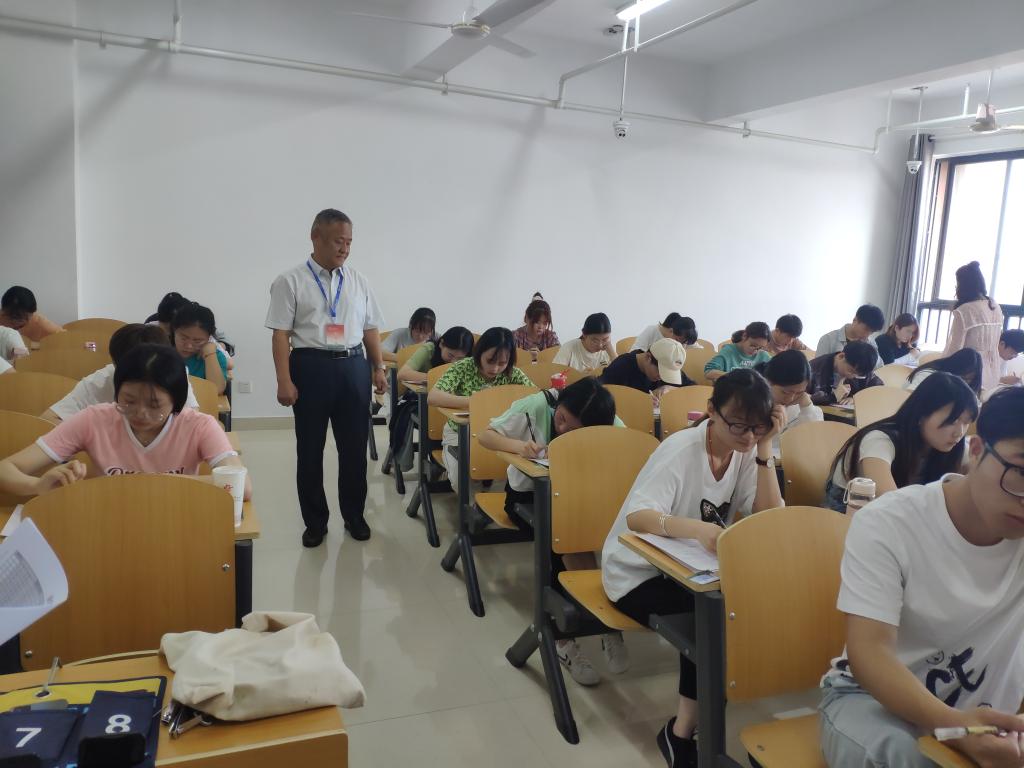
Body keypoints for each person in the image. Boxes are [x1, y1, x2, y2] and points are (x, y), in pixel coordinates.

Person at [818, 387, 1024, 768]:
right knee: (907, 760)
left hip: (989, 723)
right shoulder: (889, 523)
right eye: (1021, 473)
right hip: (873, 701)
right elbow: (870, 653)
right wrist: (956, 727)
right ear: (977, 450)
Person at [602, 369, 785, 768]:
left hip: (693, 571)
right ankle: (681, 734)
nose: (747, 436)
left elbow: (770, 517)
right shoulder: (682, 449)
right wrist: (698, 530)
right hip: (637, 570)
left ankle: (692, 728)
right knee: (713, 623)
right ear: (711, 411)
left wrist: (766, 448)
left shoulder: (748, 449)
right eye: (738, 424)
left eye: (757, 426)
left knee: (736, 615)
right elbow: (638, 517)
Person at [479, 378, 629, 685]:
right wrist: (521, 447)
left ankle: (600, 622)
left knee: (578, 531)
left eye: (574, 430)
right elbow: (486, 435)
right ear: (558, 405)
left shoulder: (606, 422)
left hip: (574, 498)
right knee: (563, 538)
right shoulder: (536, 405)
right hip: (526, 496)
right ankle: (567, 640)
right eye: (561, 419)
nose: (562, 429)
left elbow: (625, 448)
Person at [265, 208, 387, 547]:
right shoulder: (289, 281)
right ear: (315, 237)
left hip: (353, 367)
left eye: (349, 242)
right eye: (338, 241)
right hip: (310, 367)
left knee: (354, 449)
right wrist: (283, 380)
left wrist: (378, 367)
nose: (344, 249)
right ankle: (315, 522)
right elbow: (280, 335)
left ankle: (354, 516)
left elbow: (370, 328)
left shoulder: (359, 281)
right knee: (310, 449)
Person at [0, 344, 251, 498]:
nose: (140, 413)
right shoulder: (94, 420)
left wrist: (151, 483)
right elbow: (6, 468)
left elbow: (243, 487)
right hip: (108, 523)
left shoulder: (198, 426)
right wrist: (37, 485)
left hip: (176, 522)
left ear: (176, 402)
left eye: (154, 405)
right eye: (128, 400)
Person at [823, 371, 977, 513]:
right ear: (922, 414)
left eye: (966, 422)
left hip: (901, 515)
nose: (960, 432)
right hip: (848, 512)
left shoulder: (953, 446)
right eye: (952, 421)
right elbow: (892, 502)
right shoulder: (879, 440)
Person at [428, 327, 532, 493]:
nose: (495, 368)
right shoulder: (463, 367)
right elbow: (433, 397)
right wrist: (476, 402)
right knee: (460, 479)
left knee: (509, 473)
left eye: (502, 363)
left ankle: (487, 504)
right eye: (490, 361)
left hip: (498, 434)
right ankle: (471, 504)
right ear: (479, 352)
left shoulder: (512, 373)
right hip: (461, 434)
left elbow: (536, 398)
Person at [41, 324, 200, 423]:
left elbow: (191, 422)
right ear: (115, 364)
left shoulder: (175, 376)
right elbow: (49, 419)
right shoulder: (99, 381)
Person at [942, 261, 1005, 393]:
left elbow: (955, 348)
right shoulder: (995, 306)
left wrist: (942, 369)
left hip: (970, 372)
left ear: (963, 285)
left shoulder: (965, 310)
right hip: (992, 370)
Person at [754, 350, 822, 450]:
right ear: (767, 381)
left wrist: (807, 407)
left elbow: (813, 441)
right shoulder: (751, 402)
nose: (790, 399)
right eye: (785, 392)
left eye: (799, 393)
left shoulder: (799, 407)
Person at [600, 337, 691, 402]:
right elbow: (598, 394)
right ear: (648, 357)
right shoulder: (621, 367)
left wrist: (668, 388)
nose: (662, 377)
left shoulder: (668, 364)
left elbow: (692, 389)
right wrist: (641, 401)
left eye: (668, 374)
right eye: (661, 371)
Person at [171, 302, 229, 396]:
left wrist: (210, 354)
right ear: (174, 331)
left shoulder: (216, 356)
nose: (189, 346)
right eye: (183, 338)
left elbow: (217, 389)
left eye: (197, 341)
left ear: (209, 337)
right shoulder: (163, 353)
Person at [807, 341, 882, 405]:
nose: (852, 376)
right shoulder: (814, 368)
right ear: (841, 356)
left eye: (858, 375)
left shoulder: (861, 367)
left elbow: (879, 390)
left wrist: (855, 398)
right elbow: (804, 399)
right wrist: (834, 396)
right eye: (851, 371)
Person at [396, 326, 475, 385]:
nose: (453, 362)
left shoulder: (469, 361)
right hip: (420, 397)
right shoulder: (429, 349)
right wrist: (437, 377)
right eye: (450, 355)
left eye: (460, 358)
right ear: (441, 344)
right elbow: (402, 374)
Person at [704, 322, 772, 381]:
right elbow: (709, 372)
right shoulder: (729, 351)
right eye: (753, 346)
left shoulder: (763, 356)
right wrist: (736, 376)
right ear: (744, 336)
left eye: (760, 348)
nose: (755, 351)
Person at [905, 348, 982, 397]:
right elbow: (909, 396)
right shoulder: (928, 375)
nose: (965, 383)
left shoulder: (967, 384)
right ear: (954, 369)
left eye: (970, 379)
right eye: (963, 378)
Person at [553, 312, 617, 370]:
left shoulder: (608, 349)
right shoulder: (569, 348)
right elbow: (555, 374)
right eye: (595, 341)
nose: (600, 345)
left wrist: (612, 353)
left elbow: (620, 374)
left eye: (605, 339)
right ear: (584, 334)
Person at [816, 305, 885, 358]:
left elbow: (879, 368)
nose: (867, 335)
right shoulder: (828, 340)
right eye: (866, 329)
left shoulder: (871, 344)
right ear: (855, 320)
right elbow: (818, 368)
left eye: (872, 332)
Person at [631, 313, 698, 351]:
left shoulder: (681, 339)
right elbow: (634, 352)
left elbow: (697, 346)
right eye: (677, 340)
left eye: (682, 342)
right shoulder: (652, 330)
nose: (678, 344)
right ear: (671, 331)